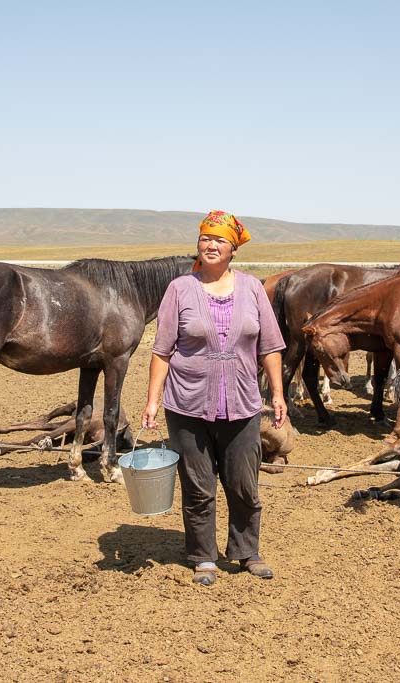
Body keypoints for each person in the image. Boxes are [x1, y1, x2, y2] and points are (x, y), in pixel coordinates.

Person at [141, 210, 287, 586]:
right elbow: (162, 351)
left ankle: (246, 551)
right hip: (187, 403)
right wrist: (152, 401)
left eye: (219, 240)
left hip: (242, 402)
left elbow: (270, 346)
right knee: (198, 483)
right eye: (206, 238)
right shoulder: (179, 289)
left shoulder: (253, 288)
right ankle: (203, 556)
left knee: (243, 483)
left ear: (233, 250)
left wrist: (278, 392)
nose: (211, 245)